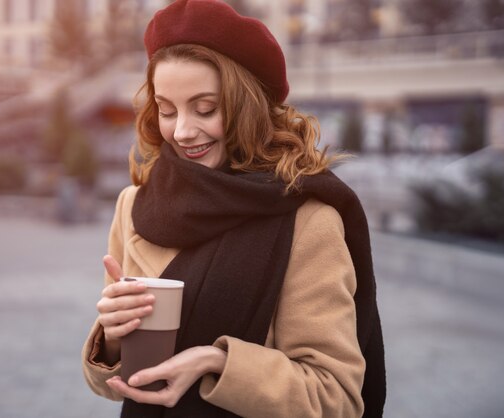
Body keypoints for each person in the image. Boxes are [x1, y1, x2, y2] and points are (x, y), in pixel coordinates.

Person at [82, 1, 386, 417]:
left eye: (206, 109)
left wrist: (219, 363)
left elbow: (336, 399)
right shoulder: (134, 205)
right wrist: (113, 339)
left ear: (247, 105)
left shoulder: (308, 218)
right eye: (167, 110)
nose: (183, 131)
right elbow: (114, 385)